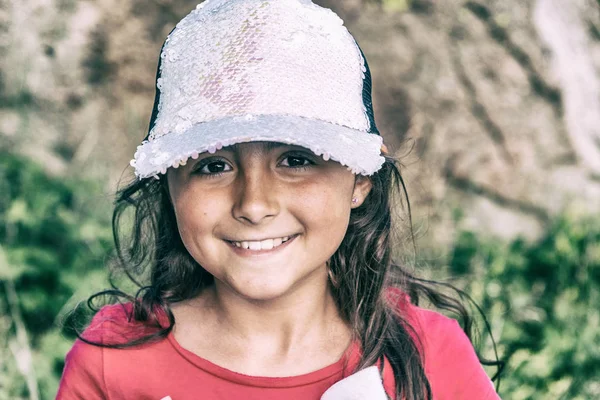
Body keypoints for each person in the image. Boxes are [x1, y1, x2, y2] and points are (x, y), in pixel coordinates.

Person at [57, 0, 502, 399]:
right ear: (168, 184)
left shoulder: (429, 358)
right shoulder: (113, 365)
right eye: (214, 165)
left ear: (361, 178)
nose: (254, 204)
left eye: (295, 160)